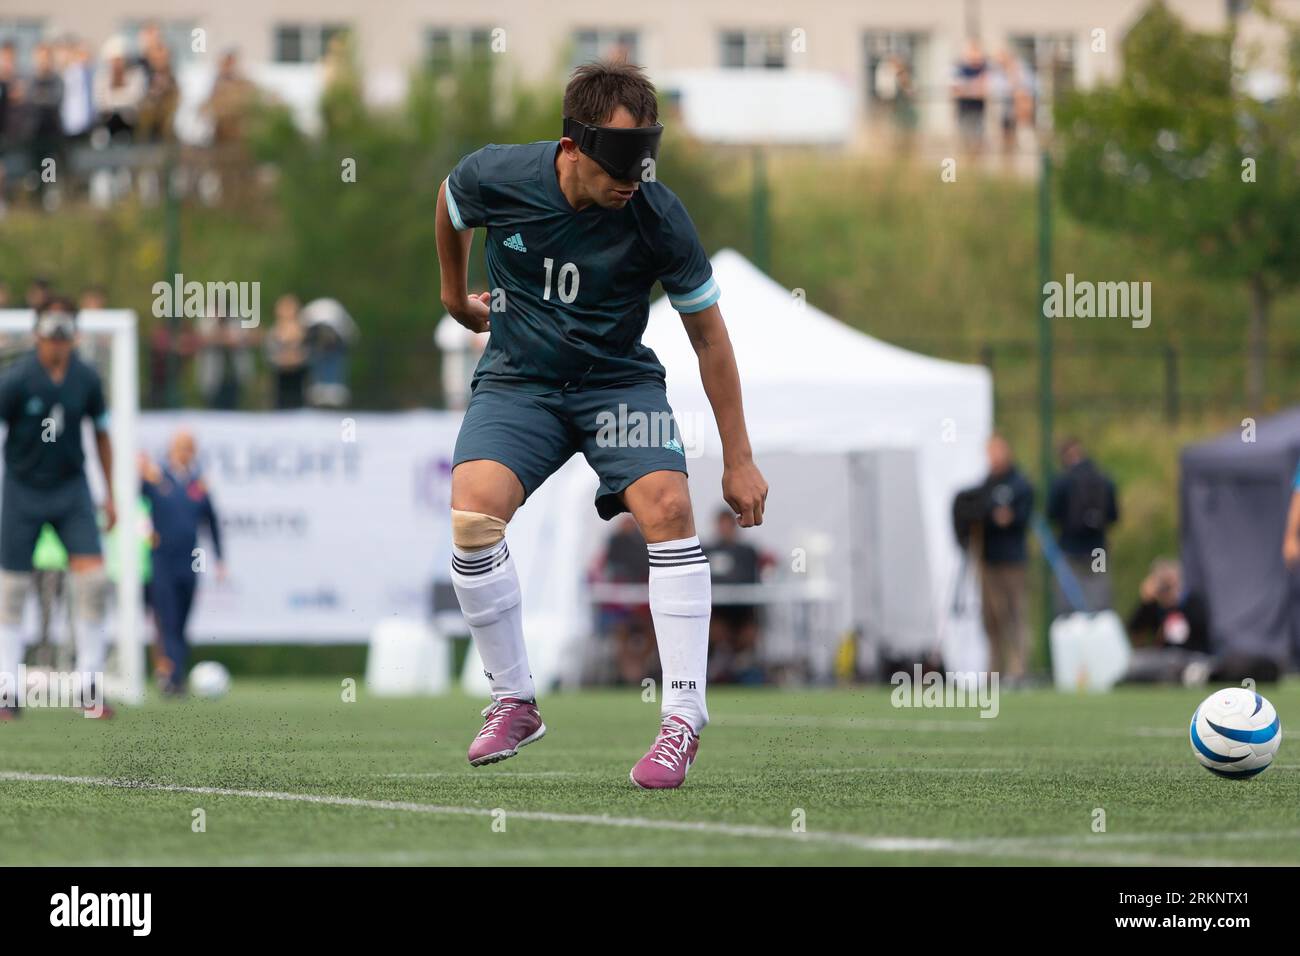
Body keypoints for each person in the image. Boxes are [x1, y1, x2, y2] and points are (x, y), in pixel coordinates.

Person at [437, 59, 767, 789]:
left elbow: (710, 339)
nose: (631, 177)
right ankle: (513, 698)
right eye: (618, 161)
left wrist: (738, 459)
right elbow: (451, 201)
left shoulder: (657, 214)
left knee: (670, 506)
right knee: (471, 516)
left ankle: (683, 718)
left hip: (616, 384)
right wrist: (457, 299)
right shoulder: (500, 175)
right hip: (520, 381)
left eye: (643, 159)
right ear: (572, 144)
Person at [0, 299, 116, 719]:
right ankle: (7, 691)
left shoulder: (86, 379)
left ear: (74, 337)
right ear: (37, 335)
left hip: (71, 490)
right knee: (11, 590)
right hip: (22, 489)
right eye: (51, 334)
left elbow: (102, 436)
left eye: (65, 335)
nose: (58, 343)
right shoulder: (16, 380)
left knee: (94, 581)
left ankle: (89, 688)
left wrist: (111, 493)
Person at [140, 430, 224, 695]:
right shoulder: (156, 478)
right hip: (162, 560)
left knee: (182, 622)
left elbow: (212, 522)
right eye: (180, 447)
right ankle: (172, 676)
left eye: (189, 447)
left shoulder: (198, 485)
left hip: (189, 563)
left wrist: (221, 559)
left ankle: (175, 673)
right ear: (171, 449)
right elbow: (135, 501)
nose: (184, 452)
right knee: (167, 619)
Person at [977, 434, 1034, 681]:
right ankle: (994, 669)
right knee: (991, 618)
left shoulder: (1020, 484)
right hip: (989, 559)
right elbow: (980, 511)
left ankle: (1018, 667)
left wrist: (1007, 517)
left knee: (1015, 614)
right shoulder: (986, 484)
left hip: (1012, 561)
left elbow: (1021, 515)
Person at [1047, 437, 1119, 613]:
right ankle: (1098, 630)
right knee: (1099, 591)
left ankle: (1071, 633)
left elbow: (1051, 513)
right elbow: (1113, 516)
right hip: (1098, 549)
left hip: (1069, 549)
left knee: (1067, 595)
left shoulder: (1061, 482)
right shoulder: (1104, 479)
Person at [1123, 558, 1212, 684]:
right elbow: (1134, 629)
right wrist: (1145, 602)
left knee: (1199, 666)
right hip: (1165, 658)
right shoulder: (1155, 606)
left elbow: (1203, 630)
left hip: (1192, 656)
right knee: (1136, 662)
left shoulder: (1192, 601)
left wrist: (1176, 603)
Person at [703, 506, 763, 683]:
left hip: (743, 612)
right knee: (716, 631)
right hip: (717, 612)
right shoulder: (707, 550)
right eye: (721, 524)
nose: (724, 529)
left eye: (727, 524)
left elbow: (753, 580)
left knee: (748, 635)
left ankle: (744, 671)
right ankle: (717, 671)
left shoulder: (747, 551)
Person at [93, 36, 146, 142]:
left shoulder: (135, 75)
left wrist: (115, 99)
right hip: (108, 121)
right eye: (114, 60)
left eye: (120, 60)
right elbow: (101, 101)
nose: (117, 64)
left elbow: (135, 97)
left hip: (130, 122)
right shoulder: (103, 77)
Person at [265, 294, 308, 409]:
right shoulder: (273, 332)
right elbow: (271, 357)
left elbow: (306, 356)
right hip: (279, 384)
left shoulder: (305, 332)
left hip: (299, 384)